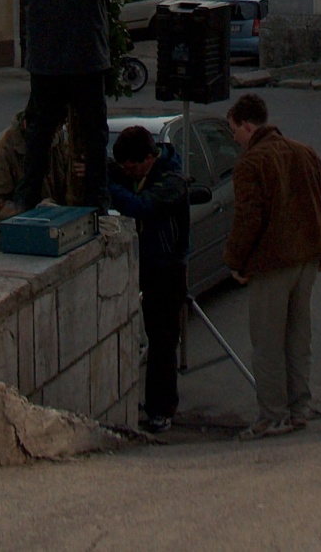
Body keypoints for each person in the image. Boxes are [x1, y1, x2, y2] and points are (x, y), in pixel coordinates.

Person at [223, 92, 321, 440]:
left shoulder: (250, 163)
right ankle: (299, 408)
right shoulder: (303, 151)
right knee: (297, 337)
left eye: (235, 130)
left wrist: (236, 262)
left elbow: (249, 218)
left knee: (267, 343)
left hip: (272, 261)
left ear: (247, 126)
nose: (234, 138)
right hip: (307, 257)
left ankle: (273, 415)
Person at [13, 0, 132, 214]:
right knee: (95, 132)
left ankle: (26, 195)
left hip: (45, 58)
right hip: (86, 57)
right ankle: (98, 198)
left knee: (41, 129)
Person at [107, 125, 189, 434]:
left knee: (162, 342)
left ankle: (161, 409)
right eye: (123, 166)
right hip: (136, 265)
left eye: (132, 165)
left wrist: (110, 188)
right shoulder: (129, 173)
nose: (127, 171)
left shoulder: (173, 182)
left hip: (166, 269)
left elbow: (142, 208)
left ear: (150, 158)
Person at [0, 111, 70, 229]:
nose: (54, 135)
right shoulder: (1, 151)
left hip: (53, 227)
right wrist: (36, 212)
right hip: (12, 234)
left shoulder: (56, 138)